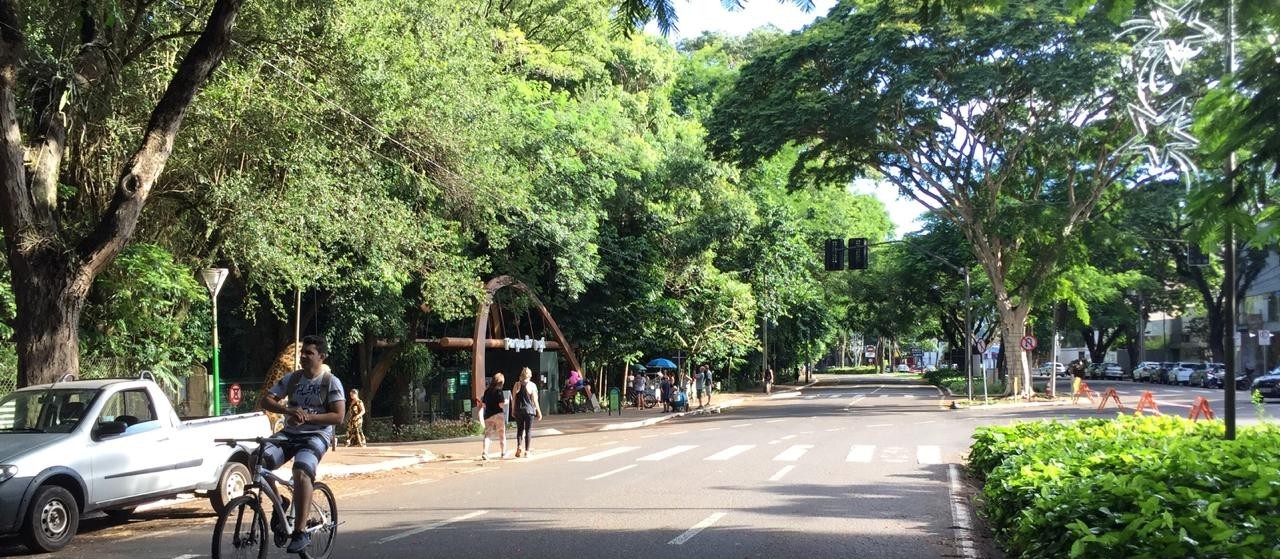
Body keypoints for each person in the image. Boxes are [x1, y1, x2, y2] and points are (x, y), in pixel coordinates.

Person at [257, 335, 346, 554]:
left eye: (309, 353)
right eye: (302, 352)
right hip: (289, 434)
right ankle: (280, 504)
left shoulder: (330, 382)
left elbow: (338, 416)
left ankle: (299, 531)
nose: (303, 356)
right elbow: (266, 400)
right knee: (256, 460)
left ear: (321, 356)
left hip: (315, 436)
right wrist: (287, 410)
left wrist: (309, 417)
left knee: (302, 471)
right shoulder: (293, 379)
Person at [512, 367, 542, 457]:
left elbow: (514, 399)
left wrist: (513, 410)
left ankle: (519, 446)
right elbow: (535, 400)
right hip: (529, 410)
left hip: (518, 410)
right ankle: (527, 451)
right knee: (528, 430)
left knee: (520, 430)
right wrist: (539, 412)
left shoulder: (517, 385)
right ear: (530, 375)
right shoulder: (532, 385)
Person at [480, 373, 508, 460]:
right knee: (501, 434)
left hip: (488, 415)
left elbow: (483, 404)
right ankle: (503, 453)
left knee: (487, 434)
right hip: (498, 415)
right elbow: (501, 404)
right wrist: (506, 402)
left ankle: (485, 452)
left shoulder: (487, 391)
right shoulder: (499, 391)